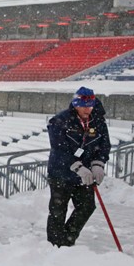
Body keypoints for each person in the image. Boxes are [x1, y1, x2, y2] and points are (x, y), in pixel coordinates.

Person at [46, 86, 110, 247]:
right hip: (61, 172)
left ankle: (67, 240)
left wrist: (98, 164)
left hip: (85, 175)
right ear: (75, 104)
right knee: (58, 210)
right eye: (83, 106)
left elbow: (104, 145)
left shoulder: (98, 121)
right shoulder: (60, 120)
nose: (87, 109)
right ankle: (54, 245)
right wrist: (76, 167)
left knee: (87, 207)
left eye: (90, 106)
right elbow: (59, 148)